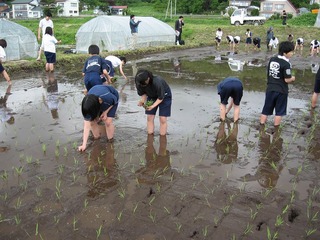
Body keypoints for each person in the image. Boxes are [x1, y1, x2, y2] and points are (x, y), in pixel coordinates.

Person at [260, 41, 295, 127]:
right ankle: (276, 129)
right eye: (291, 52)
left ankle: (261, 126)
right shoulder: (286, 64)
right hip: (281, 90)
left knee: (266, 109)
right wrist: (293, 78)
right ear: (285, 53)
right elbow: (287, 80)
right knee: (279, 112)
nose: (292, 53)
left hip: (270, 88)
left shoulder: (272, 59)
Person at [78, 85, 119, 151]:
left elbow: (115, 101)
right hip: (96, 101)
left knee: (108, 121)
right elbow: (86, 126)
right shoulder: (87, 103)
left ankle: (110, 140)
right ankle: (96, 137)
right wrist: (84, 145)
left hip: (112, 100)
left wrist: (105, 112)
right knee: (91, 121)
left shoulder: (107, 97)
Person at [135, 69, 172, 135]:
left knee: (162, 118)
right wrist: (142, 100)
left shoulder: (157, 82)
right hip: (151, 96)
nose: (143, 85)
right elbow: (143, 93)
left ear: (148, 78)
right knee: (150, 116)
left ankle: (162, 137)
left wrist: (152, 106)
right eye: (141, 84)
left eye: (144, 83)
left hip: (164, 96)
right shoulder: (139, 82)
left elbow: (161, 97)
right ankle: (150, 135)